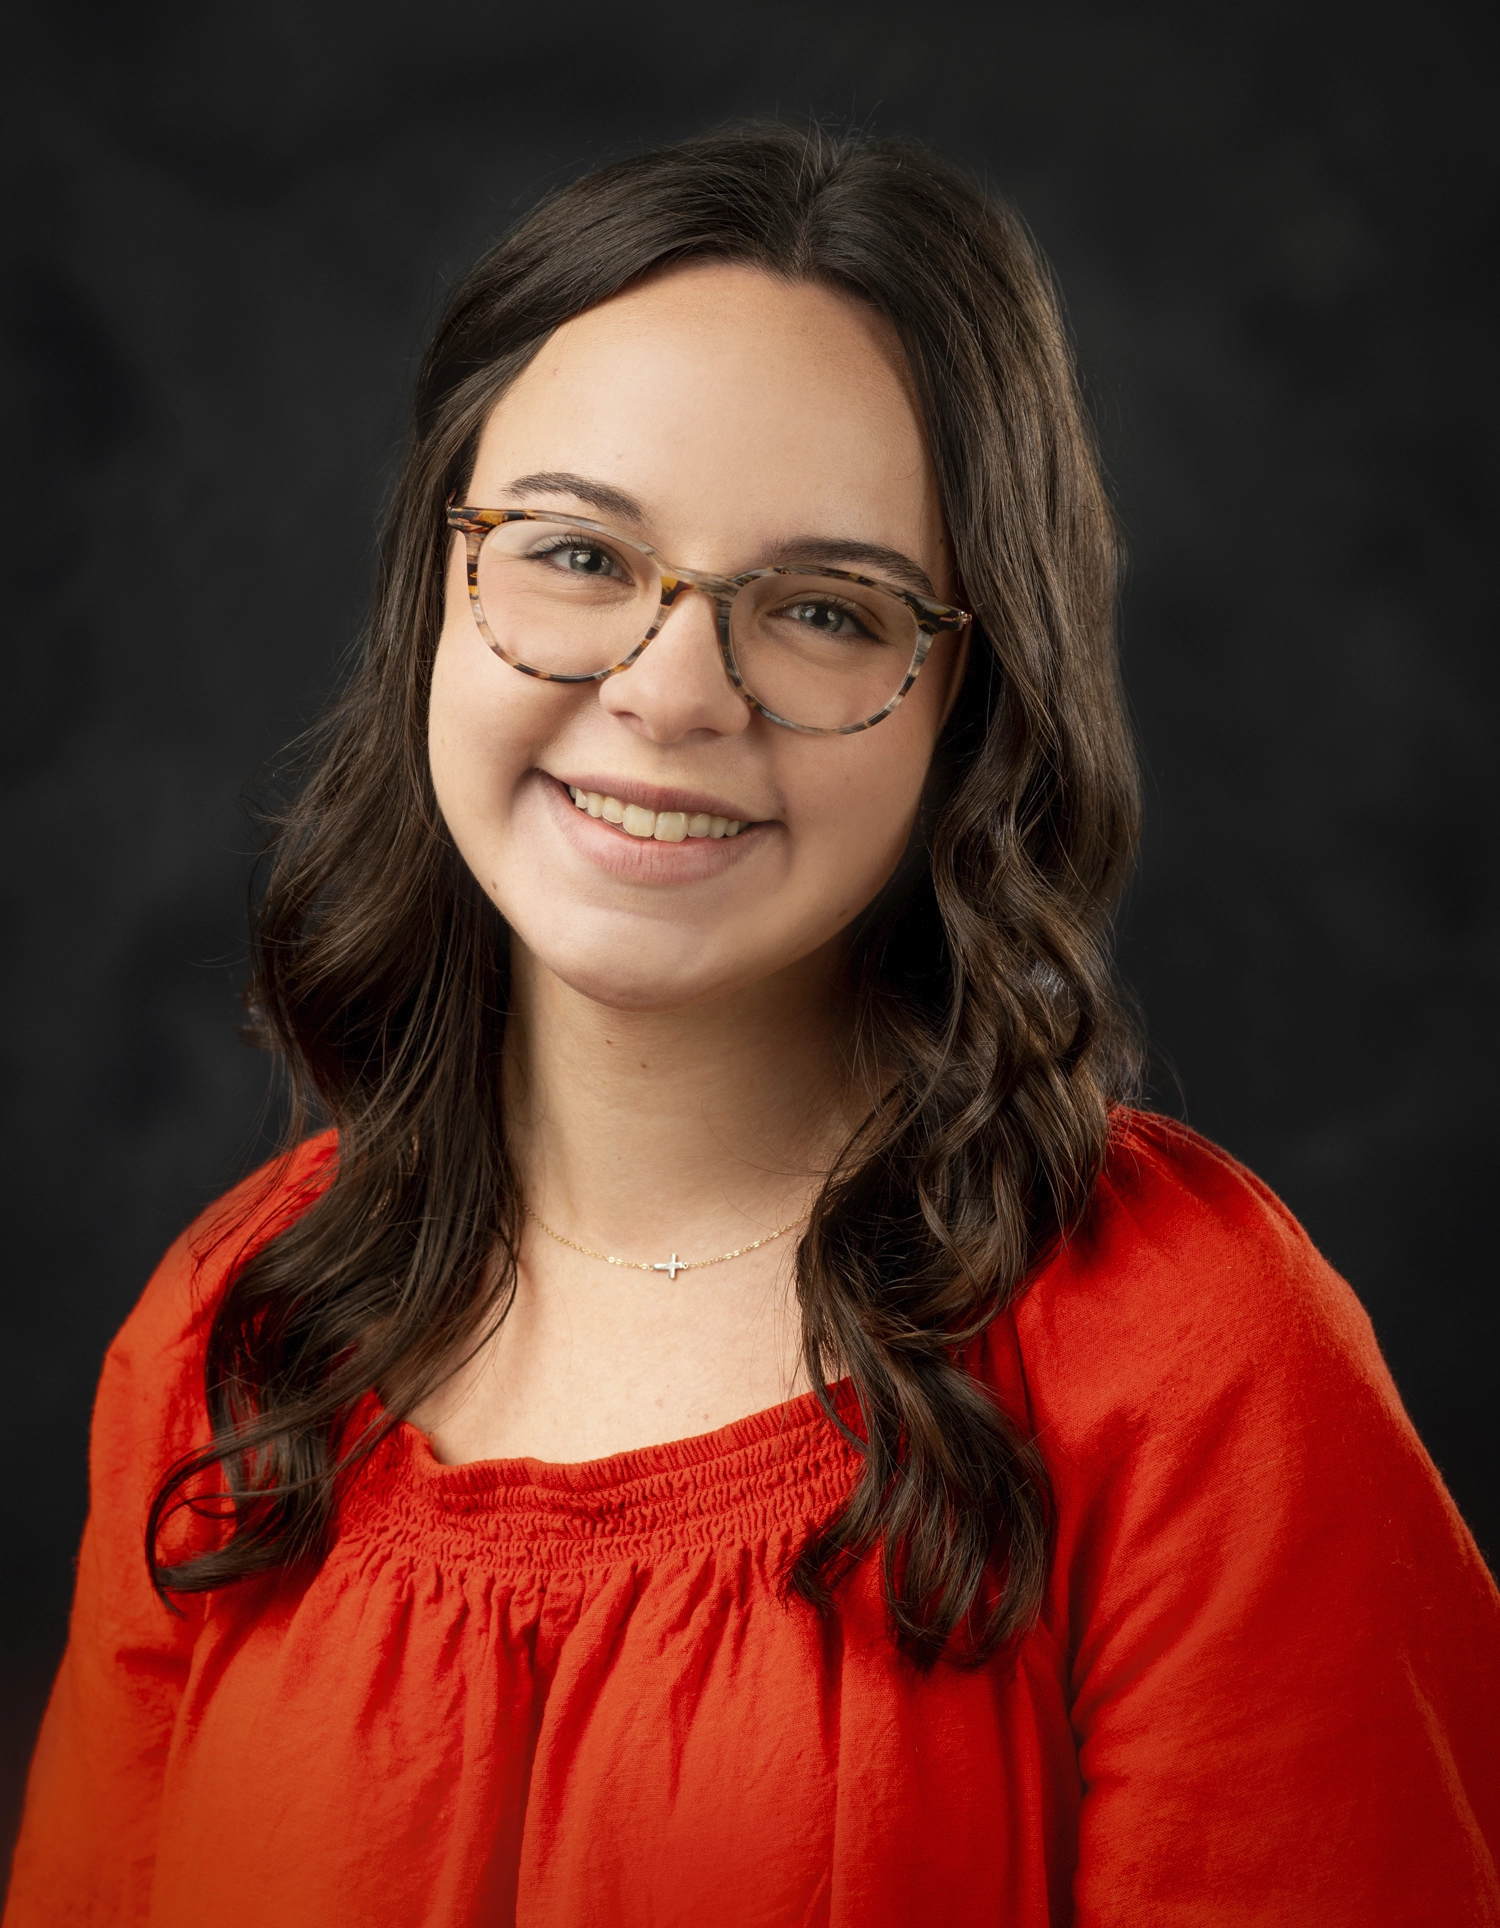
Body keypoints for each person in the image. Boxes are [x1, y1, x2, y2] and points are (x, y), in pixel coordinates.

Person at [6, 122, 1497, 1928]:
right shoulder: (228, 1339)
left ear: (973, 703)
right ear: (437, 598)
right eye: (575, 555)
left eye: (820, 610)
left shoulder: (1199, 1371)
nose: (667, 692)